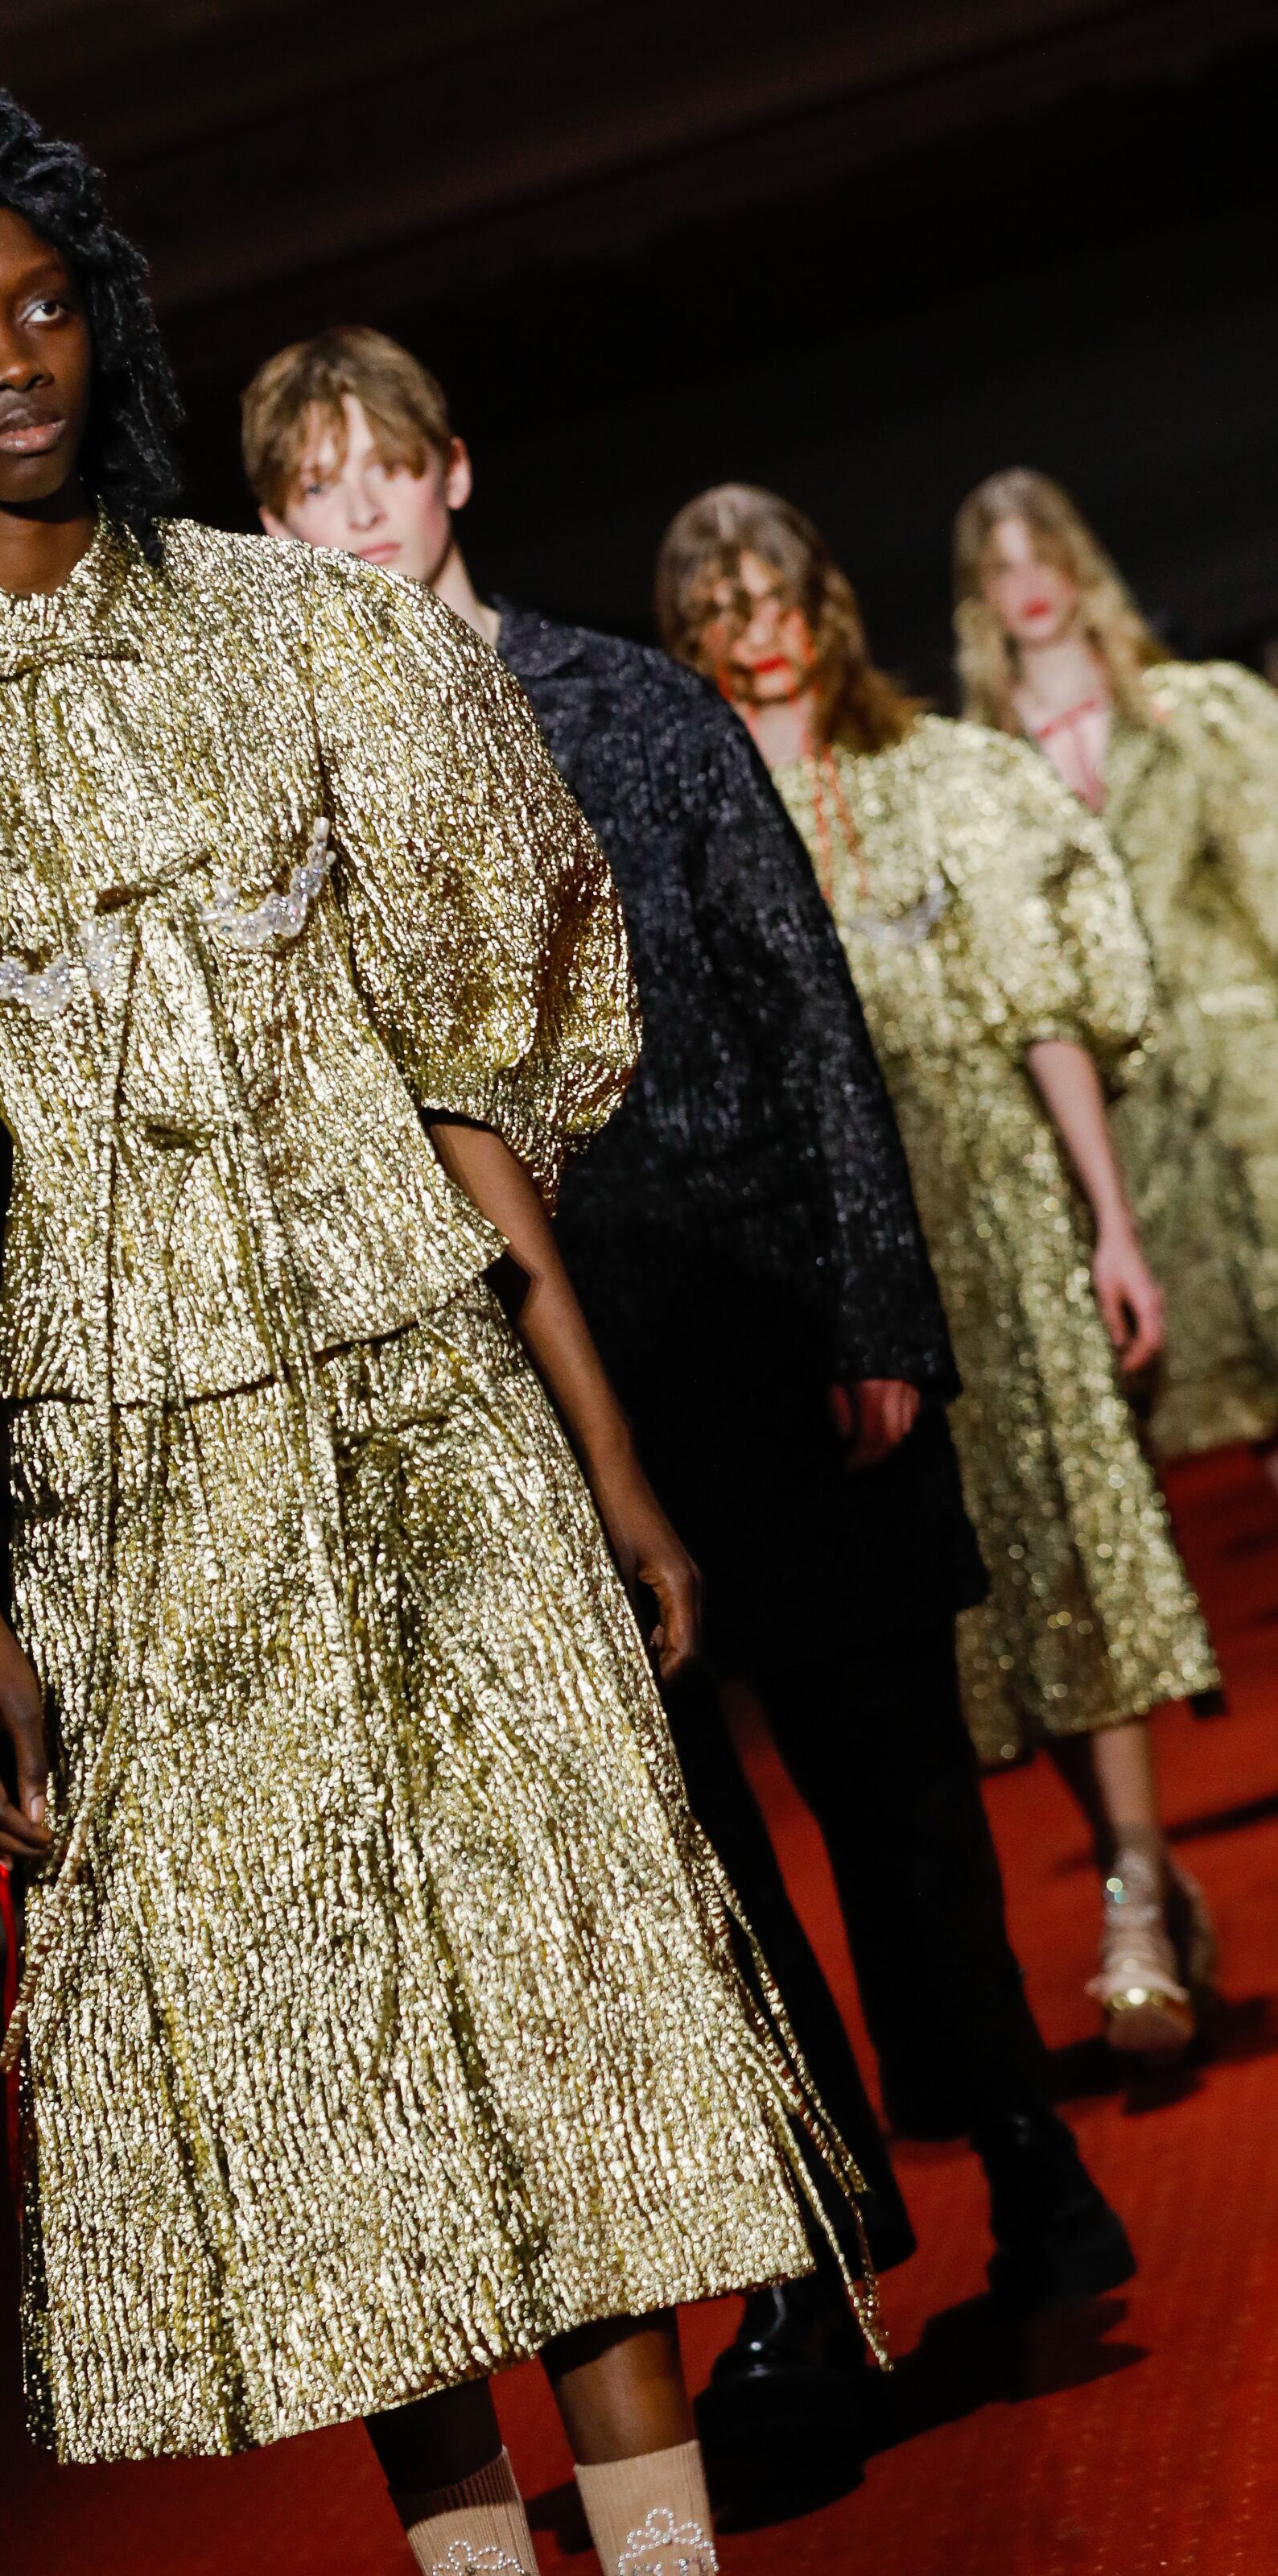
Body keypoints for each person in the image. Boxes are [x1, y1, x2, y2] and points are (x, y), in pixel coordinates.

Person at [0, 83, 878, 2576]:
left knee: (571, 2001)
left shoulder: (311, 635)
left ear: (98, 310)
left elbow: (467, 1066)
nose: (4, 357)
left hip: (440, 1422)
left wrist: (611, 1455)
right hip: (143, 1506)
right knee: (324, 2071)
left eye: (33, 302)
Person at [244, 325, 1135, 2436]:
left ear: (452, 475)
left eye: (381, 470)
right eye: (308, 490)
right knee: (679, 1860)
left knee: (895, 1799)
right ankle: (812, 2259)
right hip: (535, 1377)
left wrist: (868, 1313)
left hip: (751, 1311)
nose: (355, 513)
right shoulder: (302, 792)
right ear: (275, 531)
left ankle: (1018, 2149)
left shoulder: (621, 697)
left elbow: (799, 994)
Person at [656, 481, 1219, 2075]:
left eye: (769, 601)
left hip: (999, 1208)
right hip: (845, 1259)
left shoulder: (949, 778)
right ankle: (1150, 1878)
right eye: (713, 615)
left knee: (1076, 1534)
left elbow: (1046, 1009)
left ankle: (1123, 1902)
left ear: (821, 604)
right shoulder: (697, 821)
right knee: (975, 1604)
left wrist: (1109, 1225)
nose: (750, 640)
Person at [954, 466, 1278, 1472]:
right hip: (1125, 1114)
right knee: (1224, 1396)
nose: (1031, 582)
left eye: (1044, 553)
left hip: (1251, 1058)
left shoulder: (1197, 712)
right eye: (1003, 567)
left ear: (1079, 559)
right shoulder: (981, 775)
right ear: (980, 596)